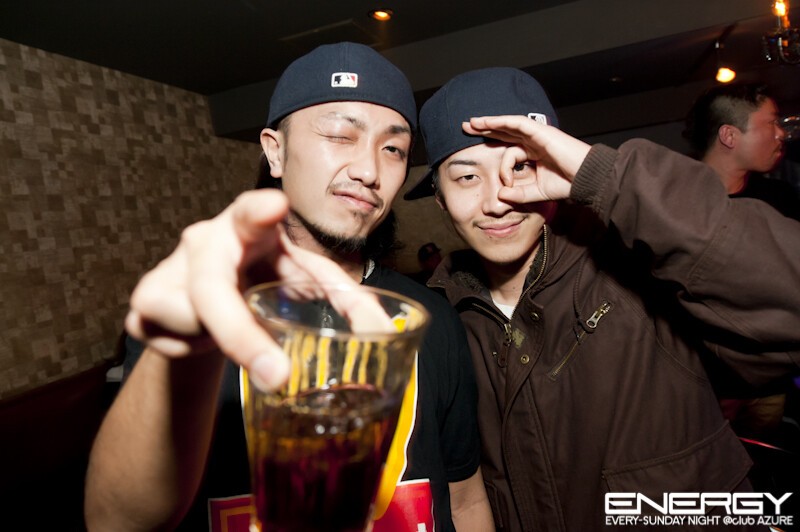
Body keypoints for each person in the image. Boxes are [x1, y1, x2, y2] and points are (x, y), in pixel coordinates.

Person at [85, 42, 493, 532]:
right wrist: (178, 351)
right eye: (340, 134)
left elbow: (465, 501)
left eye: (393, 149)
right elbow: (115, 522)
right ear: (275, 151)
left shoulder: (432, 317)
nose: (369, 170)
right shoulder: (203, 313)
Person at [402, 67, 800, 531]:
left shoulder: (636, 271)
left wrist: (604, 176)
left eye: (520, 166)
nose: (497, 200)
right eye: (468, 177)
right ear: (440, 200)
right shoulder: (438, 321)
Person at [684, 83, 800, 437]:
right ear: (730, 136)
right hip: (706, 388)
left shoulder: (780, 198)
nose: (781, 133)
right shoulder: (678, 204)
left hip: (773, 383)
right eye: (771, 122)